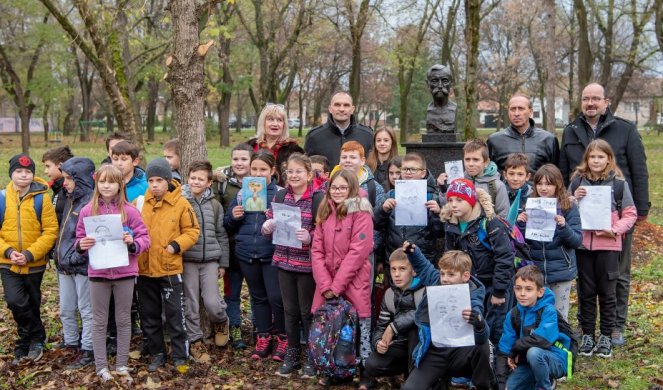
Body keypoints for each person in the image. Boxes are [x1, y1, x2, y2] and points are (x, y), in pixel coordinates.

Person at [559, 83, 649, 346]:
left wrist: (641, 209)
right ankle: (586, 326)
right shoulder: (571, 131)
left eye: (595, 99)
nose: (590, 103)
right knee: (585, 274)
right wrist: (566, 202)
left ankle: (616, 326)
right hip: (582, 222)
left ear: (606, 101)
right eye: (586, 98)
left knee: (618, 272)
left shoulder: (625, 130)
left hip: (616, 216)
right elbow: (565, 172)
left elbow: (639, 170)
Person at [76, 164, 150, 383]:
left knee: (123, 319)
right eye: (102, 182)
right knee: (99, 321)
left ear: (120, 185)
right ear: (96, 184)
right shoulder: (88, 211)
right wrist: (82, 244)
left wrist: (133, 243)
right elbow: (78, 238)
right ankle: (101, 367)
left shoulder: (131, 211)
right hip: (98, 272)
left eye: (111, 182)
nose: (106, 186)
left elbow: (145, 238)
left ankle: (121, 364)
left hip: (125, 272)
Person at [569, 140, 636, 358]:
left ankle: (606, 335)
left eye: (600, 156)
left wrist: (614, 230)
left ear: (609, 158)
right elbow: (565, 208)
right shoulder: (577, 181)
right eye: (592, 157)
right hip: (583, 246)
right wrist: (573, 198)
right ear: (586, 159)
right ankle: (588, 334)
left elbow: (630, 214)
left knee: (607, 293)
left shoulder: (618, 184)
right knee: (586, 292)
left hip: (608, 246)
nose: (596, 161)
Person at [311, 170, 375, 389]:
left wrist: (337, 285)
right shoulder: (325, 211)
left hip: (354, 281)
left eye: (342, 188)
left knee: (360, 328)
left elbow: (358, 251)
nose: (337, 192)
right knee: (332, 328)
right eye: (334, 187)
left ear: (352, 189)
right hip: (327, 282)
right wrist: (325, 284)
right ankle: (335, 370)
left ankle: (366, 371)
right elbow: (317, 250)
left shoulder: (361, 212)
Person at [262, 153, 324, 378]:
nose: (294, 175)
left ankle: (311, 357)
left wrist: (310, 237)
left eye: (299, 171)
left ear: (309, 175)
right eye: (290, 171)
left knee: (307, 312)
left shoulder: (318, 199)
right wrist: (267, 227)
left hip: (307, 266)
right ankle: (292, 354)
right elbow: (269, 225)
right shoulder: (280, 196)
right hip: (284, 262)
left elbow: (324, 232)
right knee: (290, 311)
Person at [401, 244, 494, 390]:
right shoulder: (436, 281)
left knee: (484, 346)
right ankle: (439, 382)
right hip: (436, 350)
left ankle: (482, 386)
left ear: (465, 276)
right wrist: (413, 252)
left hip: (461, 352)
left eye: (451, 274)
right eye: (443, 273)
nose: (445, 279)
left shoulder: (474, 294)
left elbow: (482, 336)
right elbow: (424, 267)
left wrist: (479, 323)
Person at [137, 158, 200, 373]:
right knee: (150, 315)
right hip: (144, 269)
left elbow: (192, 231)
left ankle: (180, 355)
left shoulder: (181, 203)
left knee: (175, 315)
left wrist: (175, 245)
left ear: (168, 180)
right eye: (151, 181)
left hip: (169, 269)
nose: (154, 185)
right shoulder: (140, 203)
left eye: (159, 180)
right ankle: (157, 354)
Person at [224, 151, 287, 361]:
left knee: (276, 298)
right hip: (246, 253)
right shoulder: (242, 193)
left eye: (263, 170)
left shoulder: (281, 194)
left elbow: (289, 226)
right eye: (255, 169)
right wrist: (233, 217)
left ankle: (282, 338)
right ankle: (263, 336)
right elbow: (228, 224)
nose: (258, 174)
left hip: (271, 254)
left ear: (273, 171)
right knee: (258, 297)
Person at [440, 178, 514, 345]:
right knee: (473, 327)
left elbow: (504, 257)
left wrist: (499, 291)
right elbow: (450, 257)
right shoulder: (451, 224)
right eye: (450, 200)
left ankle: (497, 365)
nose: (453, 204)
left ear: (471, 200)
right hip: (470, 286)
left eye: (459, 200)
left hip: (494, 284)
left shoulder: (489, 222)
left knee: (496, 327)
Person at [0, 154, 58, 365]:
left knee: (31, 302)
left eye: (28, 171)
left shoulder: (42, 198)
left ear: (33, 174)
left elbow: (51, 230)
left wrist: (30, 254)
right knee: (15, 301)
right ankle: (35, 334)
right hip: (8, 262)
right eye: (19, 171)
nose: (23, 175)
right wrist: (8, 252)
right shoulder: (2, 198)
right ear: (11, 173)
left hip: (34, 263)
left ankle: (28, 341)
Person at [517, 164, 582, 319]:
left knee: (559, 315)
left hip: (561, 271)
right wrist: (521, 225)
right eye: (540, 183)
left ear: (558, 184)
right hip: (536, 273)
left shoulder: (569, 206)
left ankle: (561, 343)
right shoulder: (529, 205)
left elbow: (577, 241)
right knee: (537, 315)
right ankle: (538, 343)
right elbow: (522, 243)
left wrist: (563, 226)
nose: (544, 188)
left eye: (549, 184)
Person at [182, 160, 230, 358]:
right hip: (187, 260)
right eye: (193, 178)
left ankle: (221, 321)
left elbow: (221, 234)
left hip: (210, 260)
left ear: (209, 182)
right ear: (187, 179)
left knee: (212, 302)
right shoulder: (181, 202)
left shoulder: (215, 205)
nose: (196, 182)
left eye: (200, 179)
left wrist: (223, 263)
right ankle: (195, 339)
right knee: (190, 303)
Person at [497, 266, 572, 390]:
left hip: (555, 359)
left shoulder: (548, 311)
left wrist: (516, 347)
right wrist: (501, 383)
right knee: (509, 387)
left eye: (528, 289)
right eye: (518, 288)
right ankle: (538, 380)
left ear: (540, 292)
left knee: (534, 352)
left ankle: (544, 386)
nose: (522, 293)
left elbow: (542, 340)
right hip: (527, 362)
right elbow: (505, 349)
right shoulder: (513, 314)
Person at [53, 157, 96, 369]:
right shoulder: (68, 198)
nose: (65, 183)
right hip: (65, 264)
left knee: (86, 309)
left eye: (69, 178)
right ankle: (70, 343)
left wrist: (75, 257)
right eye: (64, 178)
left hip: (81, 265)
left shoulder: (90, 203)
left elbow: (90, 239)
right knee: (66, 309)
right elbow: (64, 232)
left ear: (82, 179)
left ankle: (88, 349)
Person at [214, 143, 254, 349]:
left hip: (254, 246)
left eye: (244, 159)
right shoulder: (222, 183)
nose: (239, 163)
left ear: (251, 161)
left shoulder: (259, 182)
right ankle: (235, 328)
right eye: (235, 159)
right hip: (230, 247)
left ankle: (259, 329)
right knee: (232, 291)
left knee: (257, 292)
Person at [363, 248, 423, 381]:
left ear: (413, 271)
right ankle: (407, 370)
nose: (396, 274)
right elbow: (380, 327)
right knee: (372, 365)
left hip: (424, 346)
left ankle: (416, 377)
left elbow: (421, 313)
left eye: (402, 269)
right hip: (400, 345)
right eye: (393, 269)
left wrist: (393, 327)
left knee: (415, 330)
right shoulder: (389, 294)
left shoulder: (425, 289)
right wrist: (378, 342)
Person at [373, 152, 443, 263]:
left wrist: (437, 214)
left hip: (423, 260)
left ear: (423, 173)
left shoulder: (431, 198)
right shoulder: (391, 195)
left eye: (413, 169)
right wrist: (383, 210)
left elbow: (440, 233)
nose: (408, 173)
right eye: (405, 169)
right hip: (394, 258)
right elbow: (375, 224)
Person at [487, 94, 560, 173]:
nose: (516, 113)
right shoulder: (495, 140)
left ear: (530, 111)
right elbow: (487, 173)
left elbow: (555, 175)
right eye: (513, 109)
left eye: (521, 109)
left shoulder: (548, 139)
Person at [439, 139, 509, 217]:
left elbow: (504, 216)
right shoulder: (458, 181)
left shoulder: (497, 186)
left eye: (476, 160)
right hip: (461, 228)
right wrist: (443, 188)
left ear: (486, 162)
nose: (471, 164)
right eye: (467, 159)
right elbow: (448, 208)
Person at [304, 92, 373, 167]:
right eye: (337, 105)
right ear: (330, 108)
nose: (341, 109)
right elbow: (307, 167)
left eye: (346, 105)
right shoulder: (315, 137)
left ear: (352, 109)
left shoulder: (367, 135)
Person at [246, 103, 304, 186]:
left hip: (283, 196)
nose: (275, 124)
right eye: (270, 119)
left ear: (284, 125)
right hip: (252, 193)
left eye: (279, 120)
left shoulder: (294, 150)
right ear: (263, 122)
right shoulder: (250, 146)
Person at [42, 145, 74, 223]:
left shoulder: (68, 189)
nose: (45, 171)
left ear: (60, 166)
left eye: (48, 166)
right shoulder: (57, 187)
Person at [502, 153, 533, 217]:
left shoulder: (532, 195)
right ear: (505, 175)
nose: (515, 178)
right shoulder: (498, 192)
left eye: (520, 174)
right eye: (511, 174)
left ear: (527, 176)